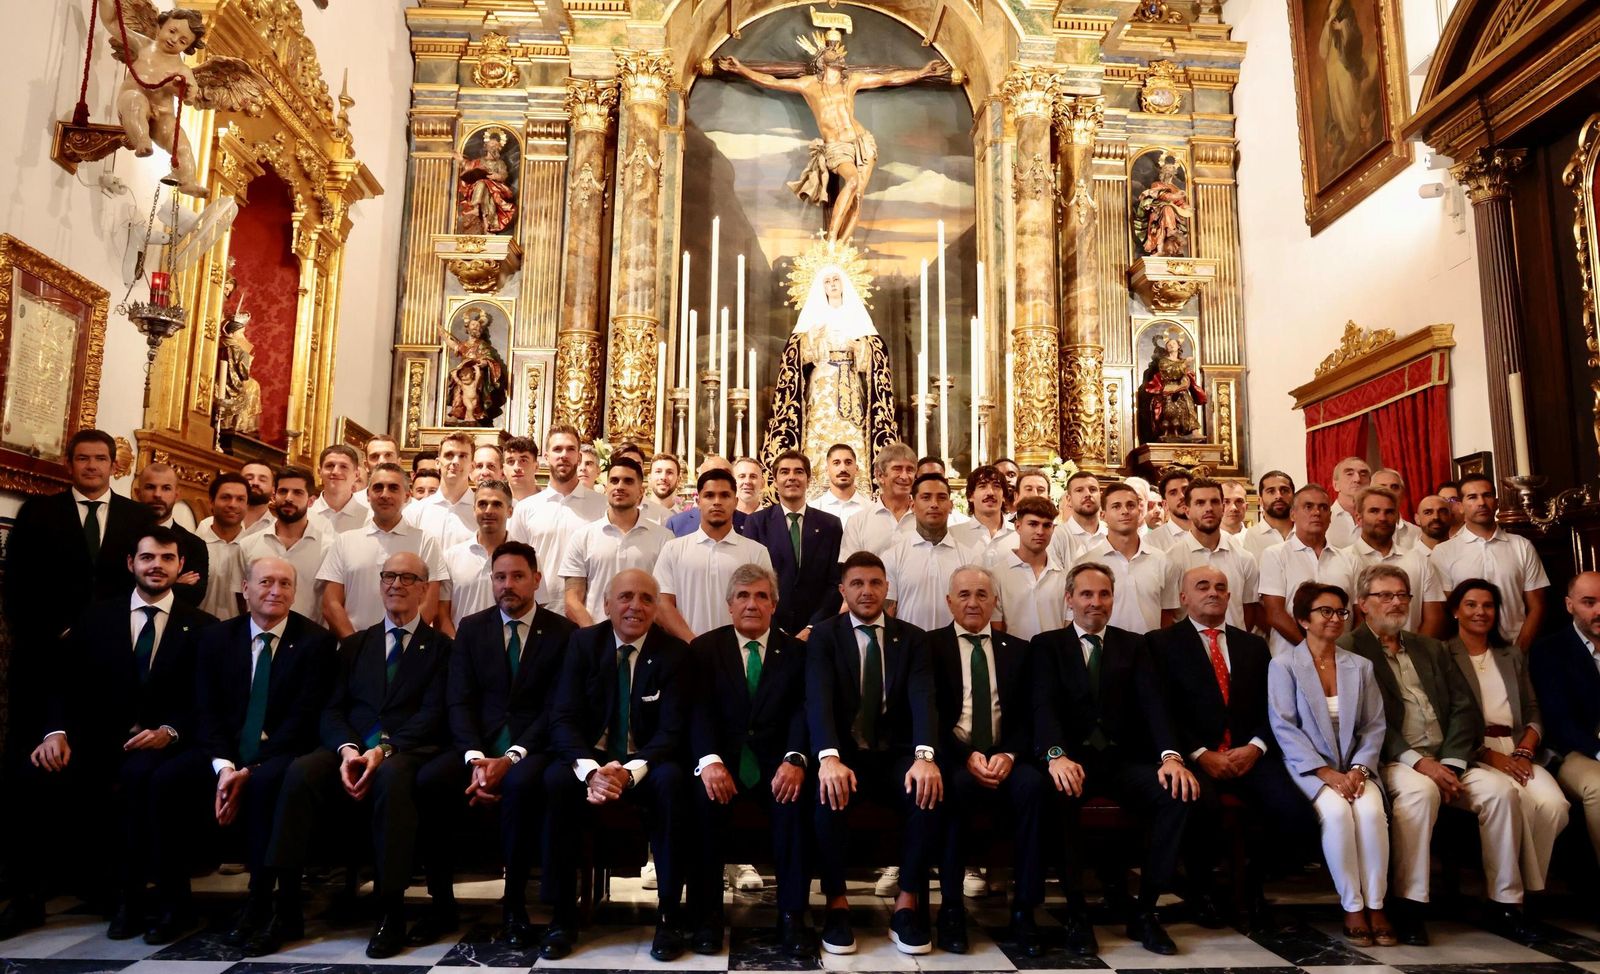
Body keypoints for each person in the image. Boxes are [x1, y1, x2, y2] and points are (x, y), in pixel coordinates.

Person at [0, 528, 217, 943]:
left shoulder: (203, 627)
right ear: (131, 563)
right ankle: (26, 900)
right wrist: (55, 732)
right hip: (94, 741)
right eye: (148, 557)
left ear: (181, 566)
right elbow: (63, 682)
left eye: (167, 558)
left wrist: (171, 731)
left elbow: (208, 700)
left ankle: (134, 900)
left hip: (163, 745)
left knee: (143, 779)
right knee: (28, 774)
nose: (157, 565)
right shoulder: (97, 616)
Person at [148, 556, 336, 957]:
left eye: (285, 584)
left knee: (270, 784)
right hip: (223, 753)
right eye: (266, 582)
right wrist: (225, 766)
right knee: (166, 780)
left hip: (281, 752)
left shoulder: (315, 642)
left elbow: (303, 721)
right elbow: (206, 710)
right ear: (246, 589)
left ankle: (264, 902)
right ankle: (173, 904)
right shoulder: (215, 639)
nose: (275, 591)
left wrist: (250, 769)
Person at [267, 551, 451, 958]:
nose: (396, 585)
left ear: (424, 589)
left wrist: (383, 750)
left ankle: (391, 909)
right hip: (350, 746)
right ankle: (286, 906)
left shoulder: (440, 648)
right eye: (388, 576)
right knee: (300, 772)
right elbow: (331, 708)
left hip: (407, 749)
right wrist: (349, 748)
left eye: (407, 578)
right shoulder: (353, 645)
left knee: (392, 778)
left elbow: (435, 714)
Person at [1338, 564, 1526, 943]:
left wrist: (1451, 763)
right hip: (1395, 758)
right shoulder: (1349, 650)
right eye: (1384, 596)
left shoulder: (1430, 647)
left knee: (1501, 793)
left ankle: (1504, 903)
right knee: (1420, 795)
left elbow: (1463, 706)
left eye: (1402, 595)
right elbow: (1368, 722)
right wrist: (1421, 763)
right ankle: (1409, 904)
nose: (1395, 603)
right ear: (1363, 604)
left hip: (1450, 757)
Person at [1031, 563, 1199, 956]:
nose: (1096, 602)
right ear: (1069, 599)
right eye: (1086, 594)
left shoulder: (1134, 644)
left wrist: (1171, 757)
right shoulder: (1047, 645)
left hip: (1123, 762)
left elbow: (1154, 706)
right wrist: (1055, 756)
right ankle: (1076, 913)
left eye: (1104, 594)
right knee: (1057, 795)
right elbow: (1042, 707)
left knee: (1176, 794)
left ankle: (1145, 912)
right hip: (1071, 761)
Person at [416, 541, 576, 948]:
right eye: (500, 577)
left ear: (536, 580)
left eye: (518, 576)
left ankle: (514, 905)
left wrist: (511, 756)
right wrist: (474, 758)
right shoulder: (472, 627)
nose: (508, 585)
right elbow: (459, 699)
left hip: (534, 747)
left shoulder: (562, 633)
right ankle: (441, 902)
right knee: (431, 779)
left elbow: (556, 708)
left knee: (522, 786)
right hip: (477, 747)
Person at [1150, 567, 1312, 930]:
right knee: (1196, 804)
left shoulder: (1252, 645)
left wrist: (1255, 747)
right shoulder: (1160, 644)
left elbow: (1275, 707)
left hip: (1248, 755)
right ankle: (1202, 891)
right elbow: (1160, 709)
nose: (1214, 592)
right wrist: (1199, 754)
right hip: (1196, 757)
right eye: (1203, 586)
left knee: (1294, 806)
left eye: (1222, 587)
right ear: (1183, 598)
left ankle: (1252, 885)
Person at [541, 569, 692, 962]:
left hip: (648, 761)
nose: (635, 606)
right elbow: (563, 718)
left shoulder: (673, 653)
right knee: (556, 782)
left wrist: (628, 772)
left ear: (657, 607)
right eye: (625, 597)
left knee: (674, 783)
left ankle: (669, 916)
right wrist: (591, 772)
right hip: (592, 760)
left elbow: (673, 731)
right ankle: (561, 916)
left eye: (646, 598)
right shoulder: (582, 644)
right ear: (606, 605)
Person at [806, 551, 942, 956]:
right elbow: (818, 699)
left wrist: (925, 756)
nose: (867, 591)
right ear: (843, 591)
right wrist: (828, 757)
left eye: (875, 583)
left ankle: (907, 903)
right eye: (858, 584)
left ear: (887, 588)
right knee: (826, 796)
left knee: (928, 793)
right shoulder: (826, 636)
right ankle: (836, 904)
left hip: (896, 753)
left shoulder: (912, 638)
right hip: (846, 754)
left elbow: (923, 698)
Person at [685, 564, 814, 955]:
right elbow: (697, 711)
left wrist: (795, 759)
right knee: (699, 803)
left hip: (778, 766)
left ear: (774, 604)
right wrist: (708, 761)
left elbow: (804, 711)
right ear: (729, 605)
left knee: (797, 804)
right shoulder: (705, 649)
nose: (752, 604)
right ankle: (706, 916)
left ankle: (792, 917)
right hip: (723, 764)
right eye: (743, 596)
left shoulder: (796, 652)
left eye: (761, 596)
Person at [1267, 582, 1393, 947]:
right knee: (1338, 815)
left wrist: (1358, 770)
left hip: (1356, 768)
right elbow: (1284, 726)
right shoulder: (1284, 665)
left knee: (1371, 813)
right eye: (1326, 611)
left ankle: (1377, 904)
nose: (1336, 618)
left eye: (1341, 612)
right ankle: (1353, 906)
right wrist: (1325, 773)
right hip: (1310, 769)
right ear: (1304, 619)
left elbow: (1374, 725)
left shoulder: (1361, 666)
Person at [929, 566, 1046, 955]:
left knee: (1034, 786)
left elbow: (1031, 717)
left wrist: (1010, 755)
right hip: (956, 756)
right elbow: (928, 717)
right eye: (963, 594)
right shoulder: (929, 648)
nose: (973, 602)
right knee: (953, 788)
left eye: (982, 594)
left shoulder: (1020, 651)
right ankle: (950, 910)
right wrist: (967, 756)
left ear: (995, 602)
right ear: (949, 602)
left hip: (1006, 756)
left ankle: (1025, 911)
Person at [1443, 578, 1569, 900]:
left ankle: (1528, 885)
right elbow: (1445, 719)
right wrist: (1489, 756)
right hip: (1474, 752)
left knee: (1555, 806)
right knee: (1520, 804)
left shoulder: (1510, 654)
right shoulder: (1442, 654)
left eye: (1488, 605)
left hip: (1517, 748)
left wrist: (1526, 748)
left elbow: (1532, 708)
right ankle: (1516, 899)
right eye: (1471, 604)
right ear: (1456, 610)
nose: (1480, 612)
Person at [319, 464, 447, 637]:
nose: (385, 494)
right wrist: (356, 646)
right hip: (353, 651)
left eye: (393, 488)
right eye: (378, 488)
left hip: (406, 650)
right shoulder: (345, 541)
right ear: (368, 495)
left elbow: (430, 604)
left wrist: (404, 642)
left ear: (407, 496)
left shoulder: (425, 541)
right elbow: (331, 603)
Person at [1529, 572, 1600, 877]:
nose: (1599, 611)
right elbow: (1559, 721)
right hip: (1577, 750)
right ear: (1570, 605)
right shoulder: (1550, 650)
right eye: (1589, 602)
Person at [1429, 474, 1549, 649]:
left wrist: (1520, 650)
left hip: (1516, 646)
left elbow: (1537, 606)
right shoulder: (1444, 552)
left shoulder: (1521, 546)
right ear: (1461, 506)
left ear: (1496, 502)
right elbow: (1444, 611)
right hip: (1465, 653)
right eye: (1472, 497)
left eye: (1487, 495)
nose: (1481, 503)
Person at [654, 468, 774, 641]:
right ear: (698, 501)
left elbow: (764, 606)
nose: (717, 502)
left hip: (738, 655)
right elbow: (662, 604)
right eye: (709, 495)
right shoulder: (673, 549)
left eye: (725, 495)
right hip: (686, 652)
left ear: (735, 501)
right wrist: (693, 643)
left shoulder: (756, 552)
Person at [739, 449, 843, 638]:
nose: (792, 477)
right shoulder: (756, 523)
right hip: (769, 632)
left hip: (818, 634)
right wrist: (774, 627)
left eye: (799, 472)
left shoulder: (830, 525)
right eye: (785, 472)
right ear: (775, 480)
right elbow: (749, 580)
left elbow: (835, 583)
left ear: (808, 479)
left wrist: (812, 628)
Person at [560, 457, 673, 627]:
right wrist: (594, 637)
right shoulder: (583, 537)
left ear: (641, 492)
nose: (620, 486)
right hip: (595, 638)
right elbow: (572, 599)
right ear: (606, 489)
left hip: (646, 639)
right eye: (614, 481)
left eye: (628, 481)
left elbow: (666, 599)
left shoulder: (664, 538)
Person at [508, 425, 607, 617]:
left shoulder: (602, 506)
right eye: (557, 449)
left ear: (579, 457)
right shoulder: (526, 508)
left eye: (570, 449)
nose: (564, 455)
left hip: (590, 612)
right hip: (540, 612)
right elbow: (517, 563)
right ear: (546, 457)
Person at [1259, 485, 1357, 656]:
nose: (1316, 512)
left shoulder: (1349, 558)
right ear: (1293, 514)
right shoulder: (1275, 555)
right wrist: (1311, 649)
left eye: (1323, 507)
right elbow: (1274, 613)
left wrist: (1345, 650)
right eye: (1308, 506)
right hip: (1291, 657)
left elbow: (1357, 613)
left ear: (1330, 516)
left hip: (1340, 657)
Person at [882, 473, 981, 631]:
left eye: (941, 498)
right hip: (910, 649)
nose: (934, 504)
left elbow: (976, 611)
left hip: (954, 649)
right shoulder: (893, 556)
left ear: (951, 506)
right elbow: (887, 612)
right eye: (926, 497)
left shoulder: (970, 558)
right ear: (912, 505)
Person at [1342, 487, 1444, 636]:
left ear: (1397, 517)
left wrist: (1414, 654)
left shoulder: (1418, 559)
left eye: (1389, 512)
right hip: (1361, 656)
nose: (1382, 518)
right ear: (1358, 517)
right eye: (1374, 511)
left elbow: (1433, 618)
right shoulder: (1343, 560)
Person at [1081, 482, 1181, 633]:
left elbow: (1167, 615)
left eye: (1130, 505)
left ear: (1140, 511)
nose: (1125, 511)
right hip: (1105, 651)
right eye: (1116, 506)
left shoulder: (1163, 561)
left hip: (1149, 650)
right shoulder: (1086, 563)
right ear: (1103, 515)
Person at [1168, 477, 1261, 631]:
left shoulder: (1244, 557)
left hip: (1232, 648)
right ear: (1187, 511)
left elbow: (1249, 610)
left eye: (1215, 502)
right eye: (1200, 503)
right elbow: (1169, 614)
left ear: (1222, 508)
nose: (1209, 508)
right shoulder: (1171, 559)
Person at [240, 467, 328, 625]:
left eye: (297, 493)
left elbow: (330, 602)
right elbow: (240, 598)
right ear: (274, 496)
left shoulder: (328, 548)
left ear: (311, 501)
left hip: (308, 641)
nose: (289, 498)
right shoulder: (249, 544)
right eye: (283, 491)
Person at [986, 496, 1068, 640]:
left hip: (1055, 659)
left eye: (1047, 525)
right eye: (1033, 524)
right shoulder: (997, 575)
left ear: (1053, 529)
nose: (1040, 532)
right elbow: (996, 629)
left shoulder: (1064, 576)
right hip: (1014, 658)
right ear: (1018, 527)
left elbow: (1068, 627)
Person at [439, 480, 514, 632]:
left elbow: (535, 610)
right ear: (474, 510)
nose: (488, 510)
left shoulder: (527, 558)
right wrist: (456, 646)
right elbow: (442, 613)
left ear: (510, 511)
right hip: (461, 650)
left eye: (497, 504)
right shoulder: (451, 556)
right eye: (482, 504)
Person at [134, 463, 210, 607]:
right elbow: (116, 589)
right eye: (150, 487)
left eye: (166, 488)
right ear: (138, 493)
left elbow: (193, 596)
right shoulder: (122, 535)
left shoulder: (194, 544)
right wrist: (175, 583)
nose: (157, 494)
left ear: (176, 495)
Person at [839, 441, 918, 558]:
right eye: (897, 469)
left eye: (910, 470)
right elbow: (851, 570)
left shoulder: (926, 520)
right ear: (880, 475)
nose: (905, 476)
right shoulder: (858, 522)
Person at [405, 431, 478, 548]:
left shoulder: (483, 513)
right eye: (449, 455)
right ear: (438, 463)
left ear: (472, 466)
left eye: (463, 456)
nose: (455, 461)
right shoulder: (415, 511)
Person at [196, 473, 250, 621]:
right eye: (225, 497)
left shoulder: (252, 549)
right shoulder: (194, 545)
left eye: (240, 499)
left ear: (247, 505)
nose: (233, 504)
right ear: (211, 502)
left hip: (236, 633)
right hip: (196, 630)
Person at [665, 455, 751, 536]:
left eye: (725, 474)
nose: (718, 480)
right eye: (711, 475)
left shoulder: (750, 523)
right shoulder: (677, 524)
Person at [199, 461, 277, 538]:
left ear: (273, 489)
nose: (255, 483)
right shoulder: (207, 525)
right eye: (249, 478)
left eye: (262, 480)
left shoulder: (277, 530)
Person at [951, 464, 1016, 552]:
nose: (990, 492)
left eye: (996, 486)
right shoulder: (954, 535)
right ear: (971, 496)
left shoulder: (1018, 534)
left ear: (1004, 496)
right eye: (982, 486)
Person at [309, 444, 370, 535]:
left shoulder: (369, 519)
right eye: (330, 465)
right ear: (319, 472)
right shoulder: (306, 515)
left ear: (356, 475)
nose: (336, 472)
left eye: (343, 467)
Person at [811, 442, 869, 526]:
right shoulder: (813, 509)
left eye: (848, 463)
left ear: (856, 469)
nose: (843, 469)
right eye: (836, 463)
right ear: (827, 469)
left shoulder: (871, 510)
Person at [1245, 470, 1295, 560]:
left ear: (1294, 498)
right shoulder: (1249, 538)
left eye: (1284, 490)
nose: (1279, 496)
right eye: (1271, 491)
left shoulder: (1307, 532)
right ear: (1260, 500)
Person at [1143, 469, 1193, 553]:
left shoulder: (1212, 534)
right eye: (1173, 493)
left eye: (1185, 490)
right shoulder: (1151, 541)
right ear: (1165, 504)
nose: (1181, 496)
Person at [1369, 469, 1420, 549]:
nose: (1389, 491)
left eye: (1394, 487)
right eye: (1382, 487)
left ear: (1403, 493)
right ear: (1370, 492)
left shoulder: (1417, 533)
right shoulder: (1360, 531)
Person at [1327, 456, 1370, 549]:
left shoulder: (1378, 518)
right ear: (1335, 485)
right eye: (1349, 474)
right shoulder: (1323, 518)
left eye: (1363, 474)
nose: (1357, 479)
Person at [642, 452, 684, 523]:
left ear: (678, 480)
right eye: (658, 471)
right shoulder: (635, 515)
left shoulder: (684, 521)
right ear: (649, 478)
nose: (663, 477)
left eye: (669, 472)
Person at [500, 435, 539, 503]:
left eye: (523, 461)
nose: (516, 468)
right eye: (510, 461)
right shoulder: (494, 502)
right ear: (504, 469)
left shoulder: (549, 503)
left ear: (536, 467)